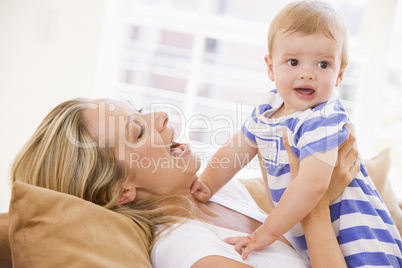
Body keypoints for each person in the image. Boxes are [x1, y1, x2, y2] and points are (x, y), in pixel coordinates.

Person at [10, 97, 360, 267]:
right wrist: (315, 204)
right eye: (138, 129)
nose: (160, 115)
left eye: (139, 110)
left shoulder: (220, 194)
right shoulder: (184, 249)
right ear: (120, 190)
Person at [191, 1, 402, 266]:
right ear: (270, 67)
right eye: (293, 62)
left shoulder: (323, 118)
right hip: (323, 245)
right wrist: (208, 184)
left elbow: (313, 184)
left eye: (323, 65)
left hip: (365, 246)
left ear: (340, 74)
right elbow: (237, 149)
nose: (307, 74)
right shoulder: (268, 109)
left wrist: (265, 233)